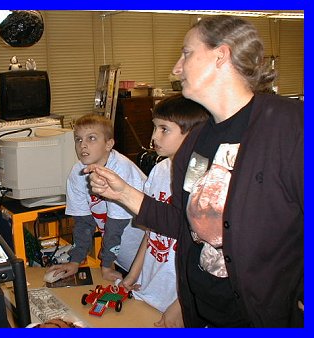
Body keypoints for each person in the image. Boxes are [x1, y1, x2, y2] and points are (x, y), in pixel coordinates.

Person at [86, 15, 303, 327]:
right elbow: (183, 222)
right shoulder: (196, 141)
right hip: (203, 311)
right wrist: (123, 193)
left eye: (186, 53)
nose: (176, 67)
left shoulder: (290, 126)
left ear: (221, 55)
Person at [121, 94, 209, 328]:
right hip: (149, 283)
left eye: (164, 130)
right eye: (154, 128)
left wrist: (181, 303)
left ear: (191, 134)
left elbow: (207, 256)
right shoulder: (159, 170)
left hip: (178, 296)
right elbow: (151, 231)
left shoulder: (204, 180)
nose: (153, 137)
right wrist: (132, 274)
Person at [46, 114, 146, 282]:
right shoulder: (77, 173)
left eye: (91, 138)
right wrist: (75, 261)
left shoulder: (121, 169)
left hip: (147, 254)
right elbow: (84, 223)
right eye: (78, 140)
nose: (83, 145)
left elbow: (116, 226)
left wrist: (106, 265)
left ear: (109, 144)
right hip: (121, 255)